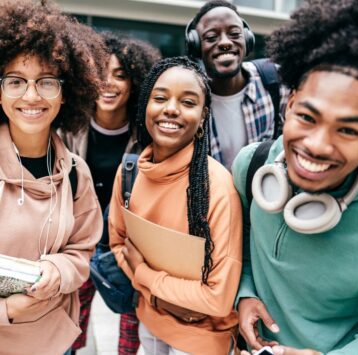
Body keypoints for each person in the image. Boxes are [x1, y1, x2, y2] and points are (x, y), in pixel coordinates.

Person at [232, 0, 358, 354]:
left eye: (348, 131)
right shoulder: (251, 165)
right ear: (290, 104)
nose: (318, 146)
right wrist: (245, 293)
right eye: (308, 117)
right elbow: (240, 242)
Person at [109, 56, 242, 354]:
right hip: (150, 322)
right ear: (146, 105)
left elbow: (219, 299)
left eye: (188, 102)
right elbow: (119, 244)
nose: (171, 108)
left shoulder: (218, 189)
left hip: (202, 341)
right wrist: (159, 297)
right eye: (160, 98)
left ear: (203, 115)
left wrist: (146, 277)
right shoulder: (129, 172)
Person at [0, 0, 104, 353]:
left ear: (66, 93)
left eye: (46, 82)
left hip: (50, 340)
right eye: (15, 81)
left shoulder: (76, 173)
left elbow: (82, 249)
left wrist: (58, 271)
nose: (31, 95)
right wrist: (6, 310)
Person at [61, 31, 161, 355]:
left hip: (125, 243)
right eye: (101, 71)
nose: (109, 82)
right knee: (72, 322)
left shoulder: (145, 133)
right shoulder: (69, 127)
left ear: (134, 83)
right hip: (80, 238)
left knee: (130, 327)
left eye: (120, 75)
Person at [185, 0, 290, 170]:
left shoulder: (276, 82)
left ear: (247, 39)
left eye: (234, 34)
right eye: (211, 37)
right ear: (196, 46)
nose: (225, 43)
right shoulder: (190, 98)